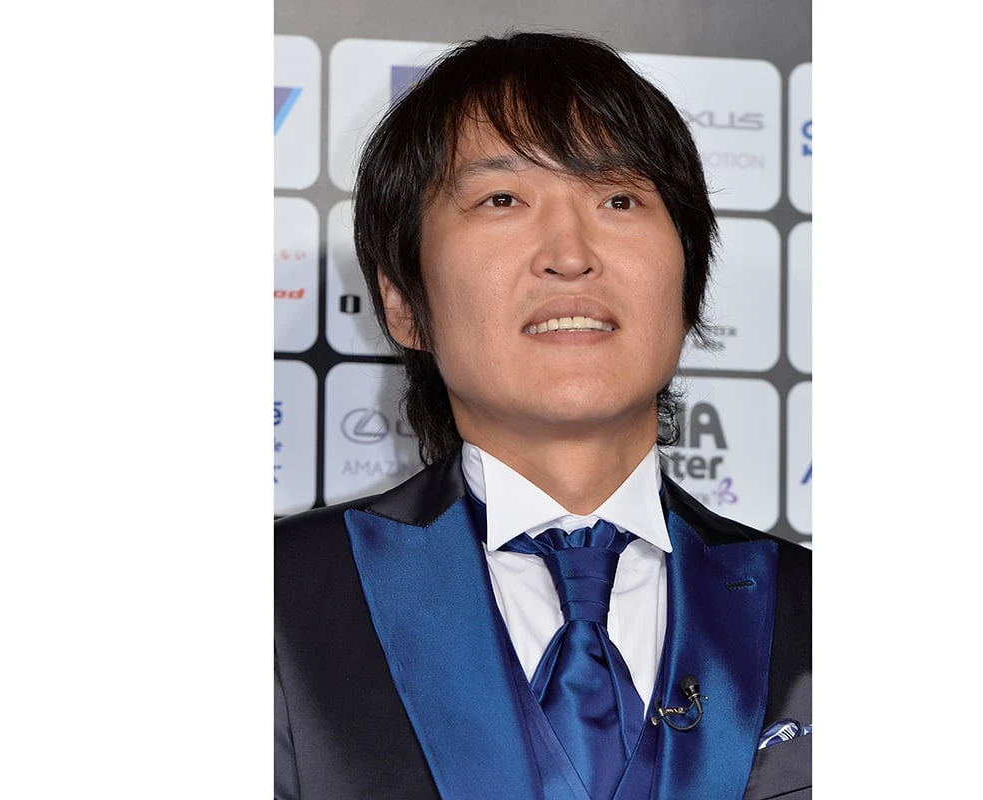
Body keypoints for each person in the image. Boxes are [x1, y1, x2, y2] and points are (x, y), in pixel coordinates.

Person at [275, 31, 810, 800]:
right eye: (503, 200)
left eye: (619, 199)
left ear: (690, 282)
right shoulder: (279, 600)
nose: (570, 252)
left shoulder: (816, 609)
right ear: (401, 303)